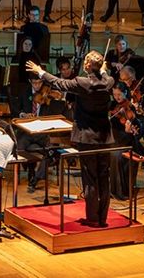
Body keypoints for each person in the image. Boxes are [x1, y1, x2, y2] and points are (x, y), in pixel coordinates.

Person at [25, 50, 115, 227]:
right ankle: (102, 218)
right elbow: (104, 75)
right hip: (105, 137)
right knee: (104, 178)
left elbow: (58, 83)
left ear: (86, 66)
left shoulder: (82, 82)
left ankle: (92, 219)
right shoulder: (109, 82)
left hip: (87, 137)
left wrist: (40, 71)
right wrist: (103, 69)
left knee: (90, 179)